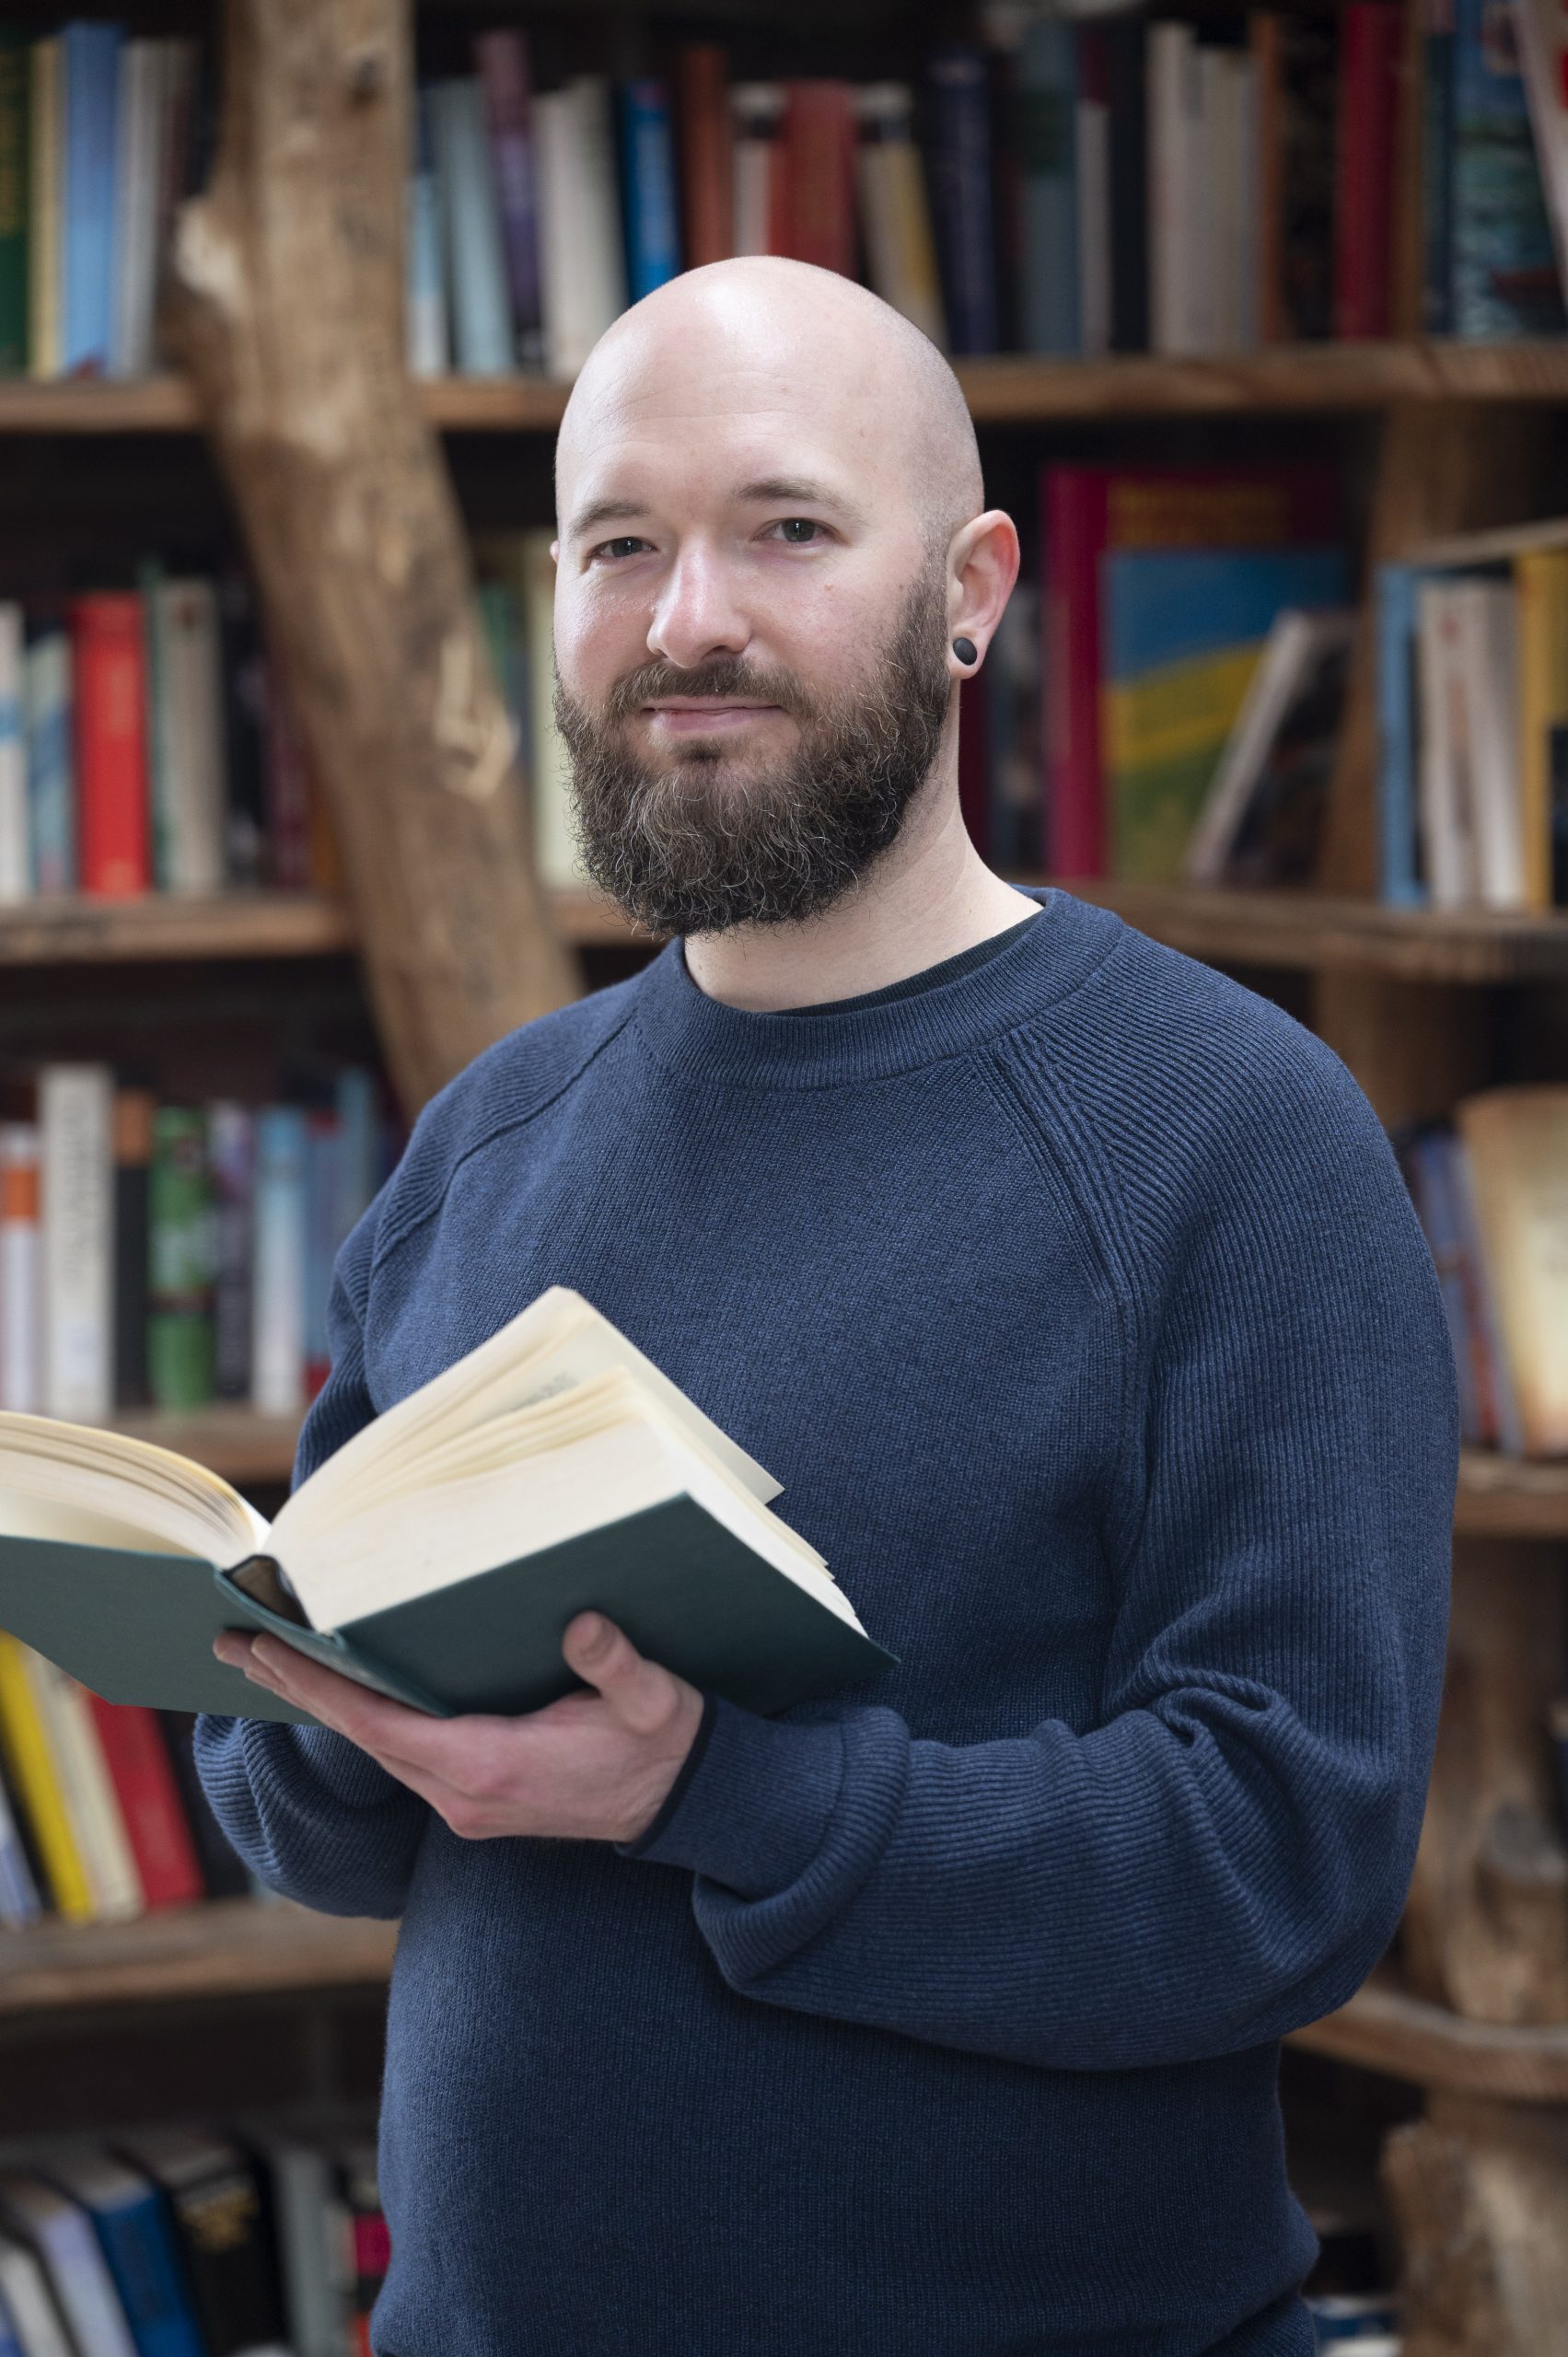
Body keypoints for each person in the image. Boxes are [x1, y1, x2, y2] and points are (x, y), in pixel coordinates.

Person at [196, 257, 1457, 2357]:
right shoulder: (492, 1136)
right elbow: (316, 1831)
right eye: (620, 545)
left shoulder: (1233, 1137)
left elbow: (1280, 1863)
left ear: (971, 592)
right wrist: (327, 1721)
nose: (687, 620)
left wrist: (710, 1789)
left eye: (785, 527)